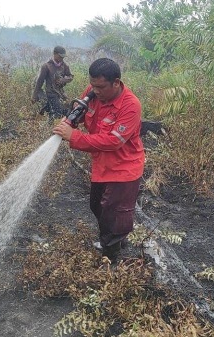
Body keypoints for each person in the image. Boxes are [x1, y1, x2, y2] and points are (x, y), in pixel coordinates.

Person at [53, 58, 145, 264]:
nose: (95, 91)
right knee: (97, 206)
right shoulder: (93, 91)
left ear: (116, 82)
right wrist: (69, 122)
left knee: (114, 212)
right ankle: (115, 241)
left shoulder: (130, 106)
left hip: (124, 167)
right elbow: (82, 112)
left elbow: (113, 141)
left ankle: (111, 256)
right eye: (92, 85)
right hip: (102, 164)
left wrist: (74, 137)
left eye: (100, 87)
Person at [32, 46, 74, 120]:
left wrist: (64, 80)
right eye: (60, 56)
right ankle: (51, 127)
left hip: (61, 93)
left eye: (63, 57)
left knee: (66, 110)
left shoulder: (64, 66)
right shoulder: (46, 66)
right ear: (55, 54)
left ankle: (40, 118)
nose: (62, 59)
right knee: (57, 113)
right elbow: (39, 82)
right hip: (51, 93)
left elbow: (70, 76)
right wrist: (34, 96)